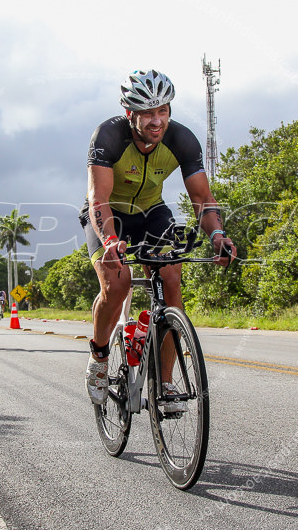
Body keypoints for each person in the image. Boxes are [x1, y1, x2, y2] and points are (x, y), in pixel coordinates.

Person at [80, 69, 236, 410]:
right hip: (110, 216)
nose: (157, 120)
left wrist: (218, 235)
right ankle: (100, 355)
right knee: (117, 284)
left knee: (171, 277)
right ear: (129, 113)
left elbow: (202, 199)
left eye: (163, 110)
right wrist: (109, 241)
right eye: (148, 113)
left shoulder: (182, 139)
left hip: (152, 213)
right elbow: (99, 200)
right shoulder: (108, 136)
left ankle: (164, 383)